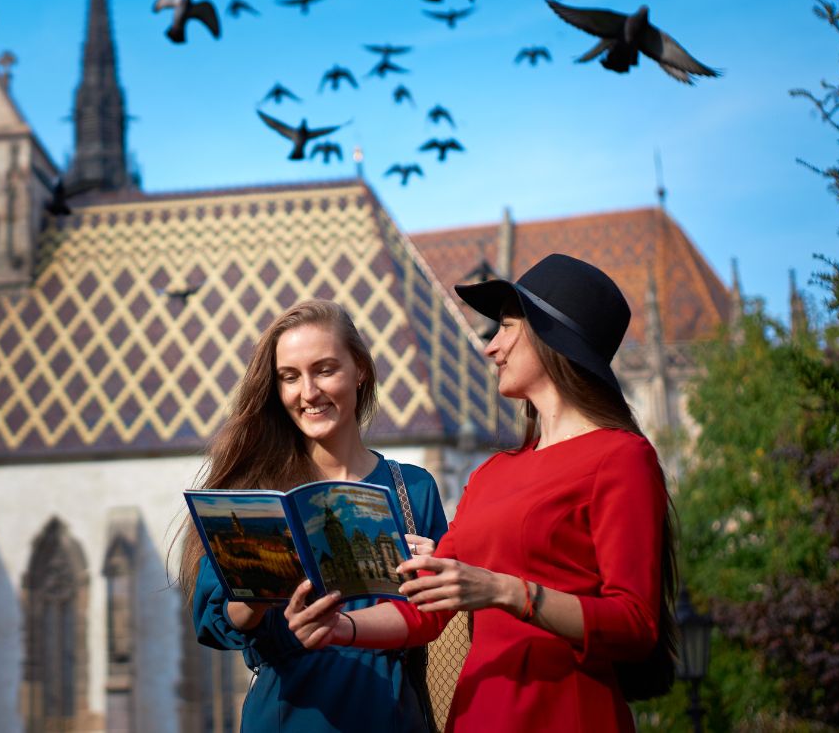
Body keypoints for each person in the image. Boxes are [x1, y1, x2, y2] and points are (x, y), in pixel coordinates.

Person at [284, 254, 677, 732]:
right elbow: (426, 610)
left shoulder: (621, 457)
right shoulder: (492, 473)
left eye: (506, 327)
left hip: (567, 714)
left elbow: (635, 626)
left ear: (553, 337)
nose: (492, 348)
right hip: (478, 715)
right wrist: (339, 628)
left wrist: (504, 590)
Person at [179, 299, 449, 732]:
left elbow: (435, 618)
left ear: (360, 370)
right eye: (290, 377)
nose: (307, 392)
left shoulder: (413, 489)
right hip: (288, 716)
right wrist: (259, 593)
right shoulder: (255, 494)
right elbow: (215, 622)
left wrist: (437, 571)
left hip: (388, 715)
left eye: (324, 370)